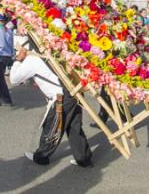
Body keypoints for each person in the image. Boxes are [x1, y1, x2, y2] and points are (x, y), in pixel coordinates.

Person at [10, 36, 93, 167]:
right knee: (73, 127)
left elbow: (14, 79)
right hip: (72, 93)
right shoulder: (48, 53)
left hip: (61, 97)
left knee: (52, 127)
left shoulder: (32, 60)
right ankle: (83, 158)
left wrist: (18, 60)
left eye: (17, 49)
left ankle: (41, 157)